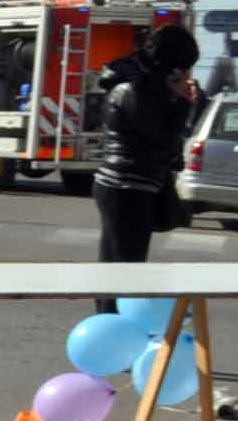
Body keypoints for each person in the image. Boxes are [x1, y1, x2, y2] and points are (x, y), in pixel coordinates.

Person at [84, 21, 201, 302]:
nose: (184, 74)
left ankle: (111, 324)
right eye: (182, 68)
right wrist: (183, 103)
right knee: (125, 270)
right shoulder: (135, 88)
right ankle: (113, 326)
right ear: (170, 62)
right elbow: (161, 138)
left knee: (119, 266)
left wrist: (181, 101)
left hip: (130, 184)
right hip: (126, 186)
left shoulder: (146, 84)